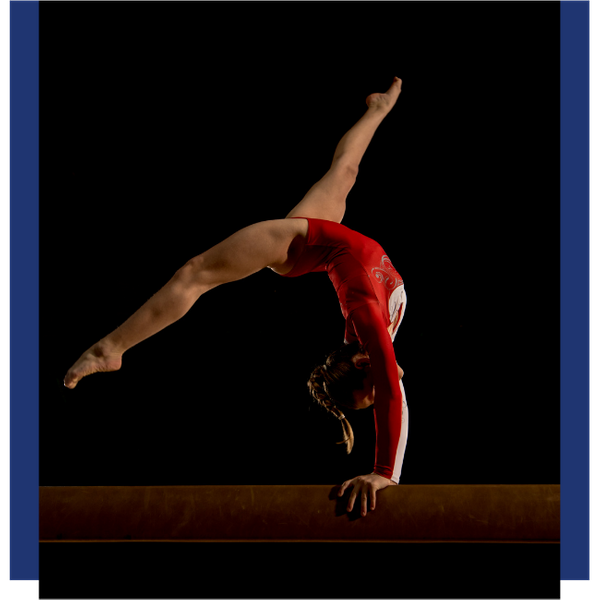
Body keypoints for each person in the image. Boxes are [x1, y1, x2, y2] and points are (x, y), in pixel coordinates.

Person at [64, 77, 406, 517]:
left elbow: (394, 394)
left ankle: (110, 348)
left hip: (302, 245)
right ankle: (377, 109)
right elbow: (395, 392)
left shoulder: (367, 326)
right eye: (374, 397)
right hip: (326, 245)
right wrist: (387, 472)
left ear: (363, 364)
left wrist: (383, 471)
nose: (385, 386)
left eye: (372, 392)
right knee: (344, 171)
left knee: (195, 273)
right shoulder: (370, 335)